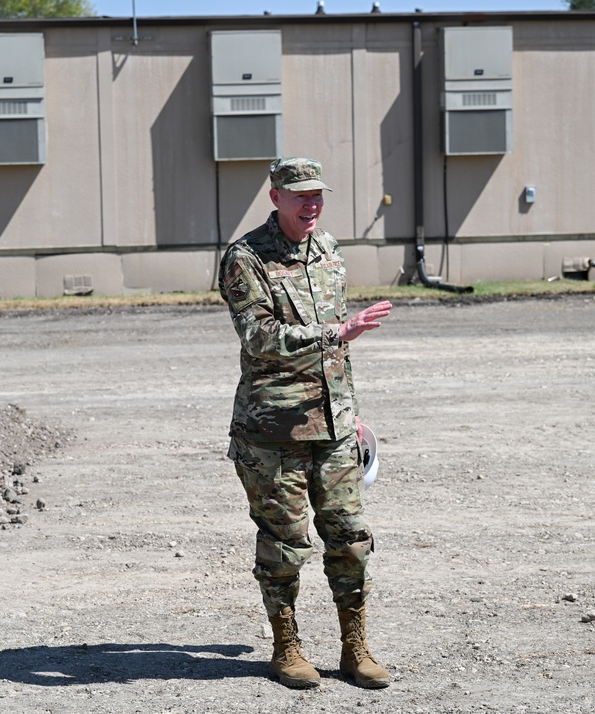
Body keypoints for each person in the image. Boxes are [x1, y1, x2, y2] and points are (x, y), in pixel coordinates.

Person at [218, 156, 393, 690]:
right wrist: (335, 332)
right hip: (273, 431)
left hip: (334, 426)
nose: (311, 204)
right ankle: (286, 647)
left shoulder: (330, 252)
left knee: (350, 537)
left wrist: (355, 414)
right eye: (300, 196)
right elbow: (258, 335)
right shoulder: (244, 258)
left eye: (318, 195)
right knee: (285, 542)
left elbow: (339, 355)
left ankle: (354, 646)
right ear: (276, 198)